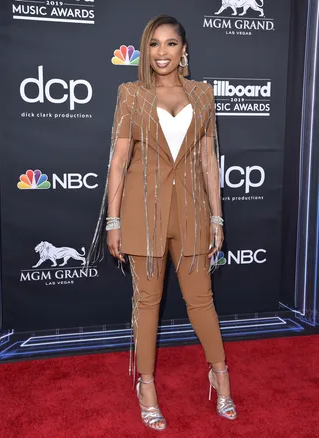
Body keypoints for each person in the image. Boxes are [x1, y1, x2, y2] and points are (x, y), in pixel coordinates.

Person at [87, 14, 237, 431]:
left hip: (191, 213)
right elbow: (118, 162)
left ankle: (220, 374)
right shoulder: (130, 94)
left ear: (184, 50)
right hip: (142, 213)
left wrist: (217, 217)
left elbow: (209, 161)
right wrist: (113, 220)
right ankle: (146, 385)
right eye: (154, 44)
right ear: (146, 50)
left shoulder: (204, 95)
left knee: (201, 300)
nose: (162, 53)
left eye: (171, 44)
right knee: (147, 304)